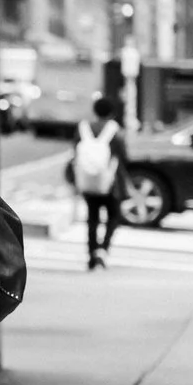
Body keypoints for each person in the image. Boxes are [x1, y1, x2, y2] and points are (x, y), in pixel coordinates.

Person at [72, 95, 124, 268]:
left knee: (92, 217)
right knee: (114, 215)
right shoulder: (114, 129)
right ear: (111, 112)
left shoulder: (83, 128)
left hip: (87, 180)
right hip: (108, 182)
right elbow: (123, 156)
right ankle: (103, 249)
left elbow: (75, 154)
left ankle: (91, 255)